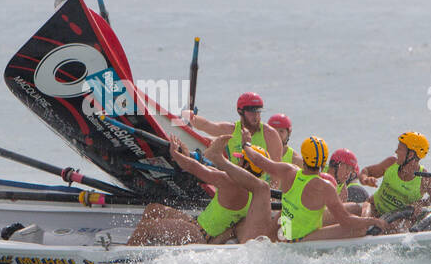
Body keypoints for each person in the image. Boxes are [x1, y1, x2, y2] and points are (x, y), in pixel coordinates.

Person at [127, 135, 266, 245]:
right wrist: (186, 157)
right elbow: (205, 169)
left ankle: (124, 261)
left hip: (199, 235)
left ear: (245, 164)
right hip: (198, 226)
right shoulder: (257, 192)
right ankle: (145, 248)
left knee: (147, 227)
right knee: (152, 209)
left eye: (240, 159)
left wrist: (175, 155)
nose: (237, 162)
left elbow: (194, 168)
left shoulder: (232, 183)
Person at [240, 137, 386, 241]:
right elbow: (346, 221)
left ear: (304, 157)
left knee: (354, 208)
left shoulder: (288, 171)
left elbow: (259, 160)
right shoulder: (325, 187)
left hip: (285, 231)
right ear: (324, 161)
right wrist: (372, 221)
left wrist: (246, 144)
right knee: (359, 229)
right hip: (300, 238)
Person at [357, 132, 431, 233]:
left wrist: (420, 204)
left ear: (411, 154)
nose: (396, 151)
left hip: (398, 217)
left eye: (400, 149)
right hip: (374, 207)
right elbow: (366, 171)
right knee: (362, 225)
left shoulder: (424, 178)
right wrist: (366, 180)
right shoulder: (391, 163)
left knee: (395, 227)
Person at [182, 92, 284, 162]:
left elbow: (276, 169)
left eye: (258, 111)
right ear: (240, 111)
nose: (256, 116)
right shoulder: (231, 130)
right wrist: (189, 115)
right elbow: (207, 125)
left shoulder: (270, 134)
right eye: (251, 111)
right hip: (237, 183)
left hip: (260, 188)